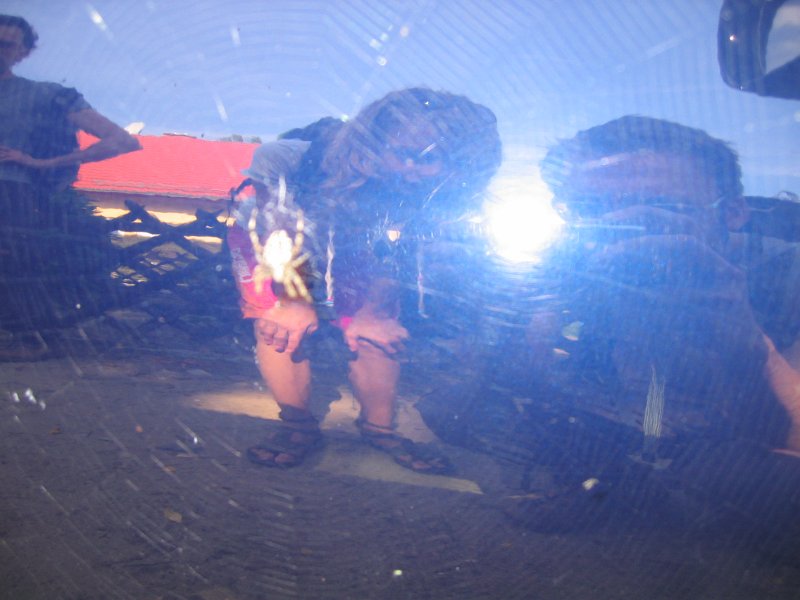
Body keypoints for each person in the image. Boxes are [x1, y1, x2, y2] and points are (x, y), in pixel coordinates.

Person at [228, 87, 501, 472]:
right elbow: (280, 231)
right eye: (400, 153)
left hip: (352, 240)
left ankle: (379, 428)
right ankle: (298, 426)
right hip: (271, 239)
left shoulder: (440, 191)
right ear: (371, 143)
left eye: (429, 159)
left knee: (377, 329)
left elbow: (399, 254)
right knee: (280, 325)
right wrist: (293, 301)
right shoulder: (290, 158)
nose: (410, 169)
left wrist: (373, 313)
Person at [531, 115, 800, 457]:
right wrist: (539, 313)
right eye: (590, 210)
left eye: (660, 210)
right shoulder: (557, 270)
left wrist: (752, 350)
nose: (623, 230)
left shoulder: (789, 282)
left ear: (733, 212)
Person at [0, 14, 140, 222]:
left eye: (6, 45)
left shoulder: (46, 95)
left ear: (23, 52)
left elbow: (121, 141)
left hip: (9, 201)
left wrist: (40, 163)